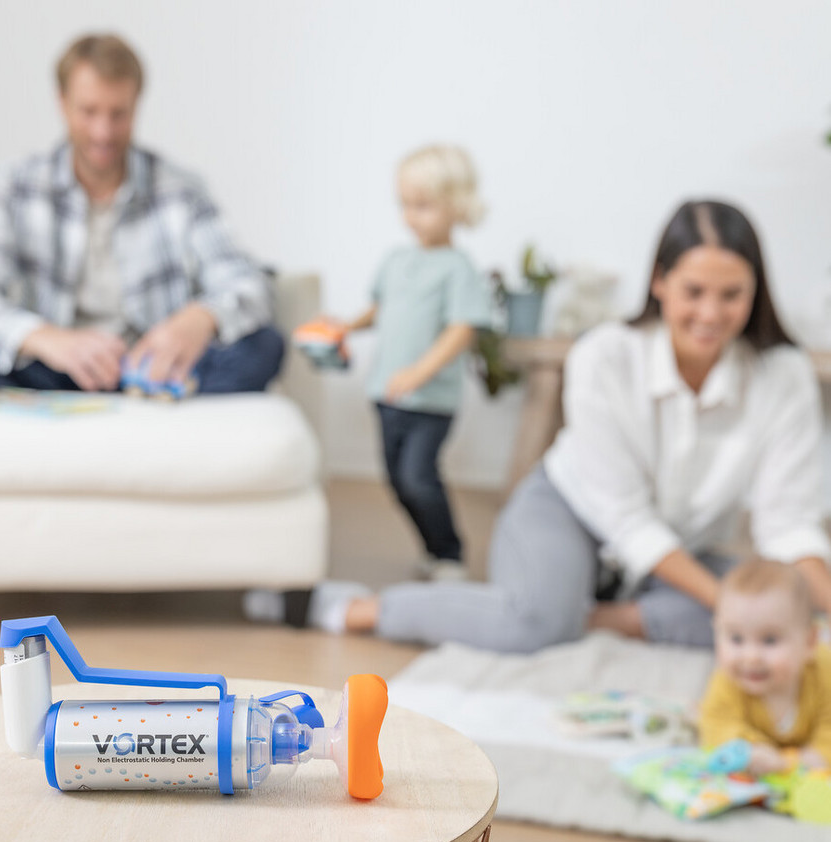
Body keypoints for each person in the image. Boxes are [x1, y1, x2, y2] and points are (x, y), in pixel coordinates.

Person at [309, 200, 831, 650]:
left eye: (731, 295)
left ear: (755, 291)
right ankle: (356, 609)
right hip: (569, 512)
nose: (711, 314)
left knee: (786, 612)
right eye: (694, 291)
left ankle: (588, 619)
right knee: (532, 624)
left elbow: (788, 523)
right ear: (660, 281)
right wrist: (732, 610)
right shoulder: (603, 356)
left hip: (676, 549)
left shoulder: (783, 376)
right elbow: (625, 518)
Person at [0, 33, 283, 395]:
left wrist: (199, 320)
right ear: (62, 103)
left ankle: (155, 400)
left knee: (264, 345)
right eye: (88, 112)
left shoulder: (181, 190)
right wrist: (46, 338)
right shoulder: (14, 184)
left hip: (150, 371)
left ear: (136, 105)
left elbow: (248, 284)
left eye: (118, 114)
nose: (103, 132)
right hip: (50, 368)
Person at [322, 145, 491, 581]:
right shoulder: (396, 261)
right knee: (397, 481)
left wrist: (421, 371)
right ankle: (431, 549)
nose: (410, 216)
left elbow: (462, 329)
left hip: (430, 401)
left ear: (457, 206)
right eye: (405, 205)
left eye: (423, 206)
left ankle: (450, 553)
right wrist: (345, 326)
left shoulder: (458, 269)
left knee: (418, 477)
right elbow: (381, 308)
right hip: (386, 393)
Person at [699, 558, 831, 774]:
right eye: (736, 639)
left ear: (809, 642)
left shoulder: (825, 674)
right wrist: (751, 750)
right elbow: (716, 725)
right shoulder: (726, 681)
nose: (751, 657)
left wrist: (793, 761)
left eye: (769, 640)